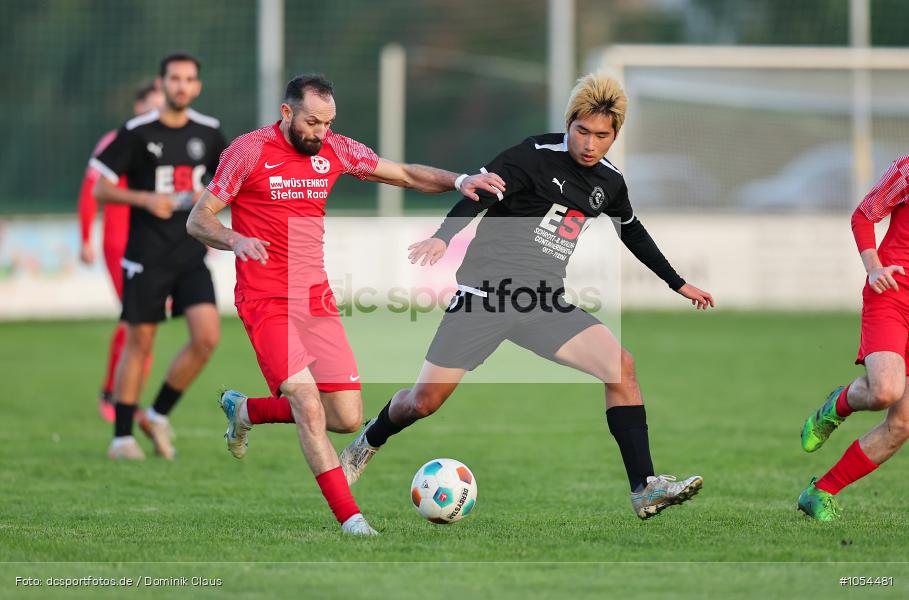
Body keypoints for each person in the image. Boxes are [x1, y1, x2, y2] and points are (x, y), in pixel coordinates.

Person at [339, 73, 715, 520]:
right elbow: (478, 194)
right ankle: (370, 440)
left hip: (543, 302)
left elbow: (631, 230)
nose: (590, 144)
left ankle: (644, 487)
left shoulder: (610, 183)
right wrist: (444, 236)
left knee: (622, 367)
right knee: (423, 402)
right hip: (486, 296)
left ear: (614, 135)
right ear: (569, 123)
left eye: (602, 136)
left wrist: (677, 283)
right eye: (582, 131)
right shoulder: (531, 156)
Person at [185, 73, 505, 536]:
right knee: (308, 404)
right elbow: (199, 219)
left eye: (328, 123)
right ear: (287, 113)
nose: (320, 133)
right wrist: (235, 238)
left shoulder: (335, 148)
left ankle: (246, 411)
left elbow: (404, 174)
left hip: (315, 299)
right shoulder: (248, 150)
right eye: (312, 122)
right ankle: (352, 521)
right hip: (265, 299)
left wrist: (460, 180)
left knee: (347, 417)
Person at [91, 53, 226, 460]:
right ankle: (121, 438)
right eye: (174, 78)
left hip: (189, 253)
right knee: (140, 342)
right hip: (146, 254)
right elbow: (101, 188)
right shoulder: (136, 131)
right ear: (162, 82)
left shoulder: (211, 131)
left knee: (206, 337)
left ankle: (158, 414)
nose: (181, 85)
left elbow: (228, 184)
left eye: (189, 79)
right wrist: (145, 198)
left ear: (197, 86)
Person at [798, 155, 909, 521]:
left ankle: (820, 491)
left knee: (903, 424)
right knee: (885, 391)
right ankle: (838, 405)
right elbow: (865, 214)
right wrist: (874, 267)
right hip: (892, 292)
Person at [79, 82, 164, 422]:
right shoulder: (117, 141)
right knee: (136, 319)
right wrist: (85, 236)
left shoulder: (167, 143)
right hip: (119, 243)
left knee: (144, 325)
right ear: (138, 107)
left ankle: (126, 399)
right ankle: (114, 396)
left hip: (155, 244)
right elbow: (90, 190)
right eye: (152, 107)